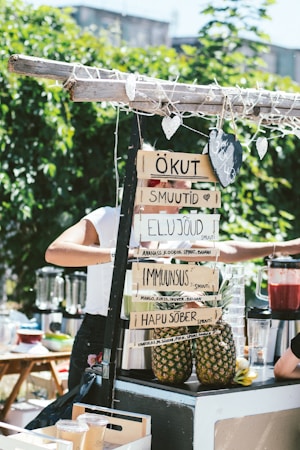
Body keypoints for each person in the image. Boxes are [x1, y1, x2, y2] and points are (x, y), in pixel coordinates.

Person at [45, 148, 300, 390]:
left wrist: (282, 247)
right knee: (84, 414)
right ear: (160, 187)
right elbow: (55, 252)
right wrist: (125, 254)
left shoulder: (170, 230)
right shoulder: (109, 219)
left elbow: (225, 250)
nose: (184, 205)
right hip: (100, 336)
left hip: (151, 340)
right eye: (182, 196)